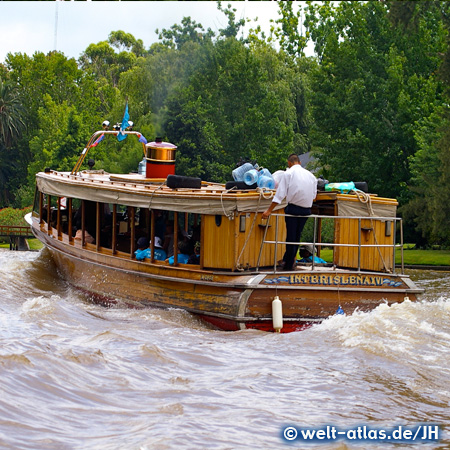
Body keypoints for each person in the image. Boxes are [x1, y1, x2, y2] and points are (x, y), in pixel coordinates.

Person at [262, 153, 317, 271]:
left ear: (289, 163)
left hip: (293, 209)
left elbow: (279, 195)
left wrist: (269, 210)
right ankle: (289, 259)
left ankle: (288, 264)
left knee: (291, 237)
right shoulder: (312, 176)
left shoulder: (288, 173)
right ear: (300, 163)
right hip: (306, 210)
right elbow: (313, 197)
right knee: (297, 236)